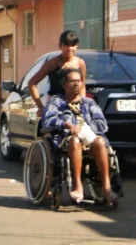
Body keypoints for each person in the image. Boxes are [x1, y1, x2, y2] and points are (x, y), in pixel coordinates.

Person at [41, 68, 117, 205]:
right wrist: (66, 125)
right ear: (64, 84)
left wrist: (86, 128)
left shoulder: (89, 103)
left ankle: (106, 186)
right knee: (75, 141)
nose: (76, 84)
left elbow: (102, 124)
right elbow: (47, 120)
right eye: (72, 81)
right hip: (67, 139)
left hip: (89, 138)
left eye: (79, 81)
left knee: (100, 141)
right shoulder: (56, 102)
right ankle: (78, 186)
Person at [28, 30, 87, 117]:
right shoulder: (52, 64)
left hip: (75, 108)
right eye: (66, 45)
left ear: (76, 46)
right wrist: (40, 106)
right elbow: (32, 83)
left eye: (73, 45)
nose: (70, 48)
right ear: (60, 46)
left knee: (77, 129)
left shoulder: (80, 63)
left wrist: (83, 104)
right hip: (55, 109)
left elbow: (82, 85)